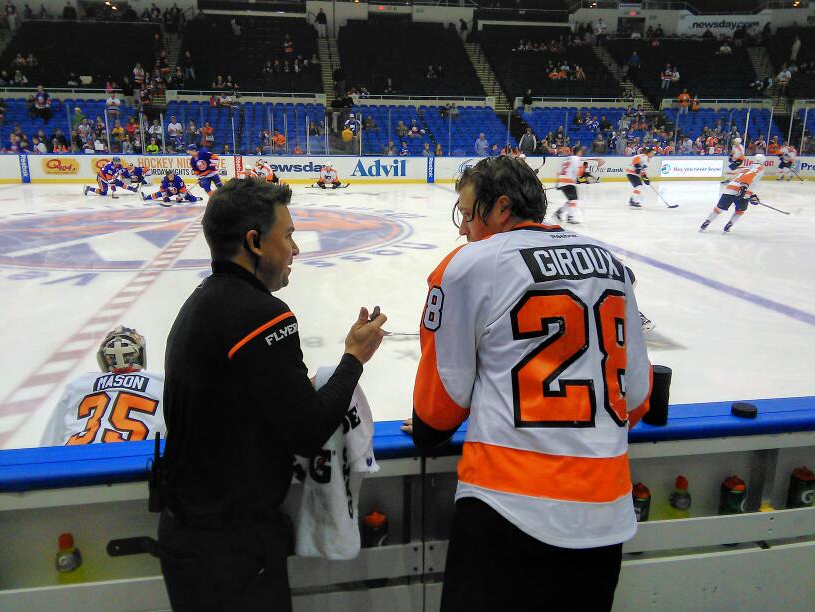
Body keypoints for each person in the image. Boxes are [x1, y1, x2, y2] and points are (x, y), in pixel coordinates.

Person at [411, 156, 652, 612]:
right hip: (606, 518)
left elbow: (435, 415)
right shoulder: (614, 266)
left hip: (505, 512)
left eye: (466, 213)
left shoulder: (469, 265)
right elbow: (636, 401)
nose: (462, 228)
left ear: (501, 208)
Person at [157, 178, 386, 610]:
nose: (295, 249)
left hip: (196, 536)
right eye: (289, 235)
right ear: (254, 241)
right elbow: (307, 427)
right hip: (230, 549)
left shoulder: (202, 301)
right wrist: (353, 359)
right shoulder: (260, 315)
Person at [40, 326, 164, 446]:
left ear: (104, 358)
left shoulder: (80, 384)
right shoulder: (161, 383)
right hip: (133, 460)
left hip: (74, 460)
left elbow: (49, 445)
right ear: (140, 354)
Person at [700, 155, 764, 233]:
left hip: (730, 189)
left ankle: (707, 222)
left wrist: (752, 195)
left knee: (719, 209)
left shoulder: (747, 167)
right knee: (740, 211)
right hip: (743, 192)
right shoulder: (759, 168)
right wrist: (743, 188)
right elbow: (750, 176)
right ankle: (729, 224)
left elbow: (746, 179)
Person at [554, 144, 585, 224]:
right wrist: (583, 170)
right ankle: (570, 217)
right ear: (579, 152)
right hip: (568, 182)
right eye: (581, 152)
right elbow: (578, 172)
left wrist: (558, 182)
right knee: (573, 200)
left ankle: (559, 213)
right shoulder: (577, 159)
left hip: (562, 181)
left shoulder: (567, 158)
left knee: (571, 200)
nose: (582, 153)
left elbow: (563, 171)